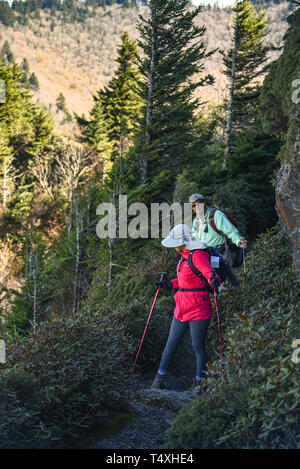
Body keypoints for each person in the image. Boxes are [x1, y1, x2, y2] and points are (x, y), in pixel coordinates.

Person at [151, 224, 220, 396]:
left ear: (183, 242)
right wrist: (169, 284)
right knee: (171, 345)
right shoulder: (184, 256)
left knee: (198, 346)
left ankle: (200, 383)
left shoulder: (197, 255)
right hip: (181, 308)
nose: (173, 246)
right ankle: (158, 381)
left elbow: (211, 274)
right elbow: (185, 281)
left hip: (199, 308)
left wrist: (213, 279)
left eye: (175, 242)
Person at [189, 193, 247, 266]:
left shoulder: (216, 215)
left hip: (217, 253)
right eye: (193, 206)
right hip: (203, 255)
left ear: (204, 203)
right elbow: (194, 239)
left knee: (216, 274)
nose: (196, 207)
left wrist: (238, 241)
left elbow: (230, 231)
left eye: (198, 204)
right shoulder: (196, 221)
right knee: (206, 274)